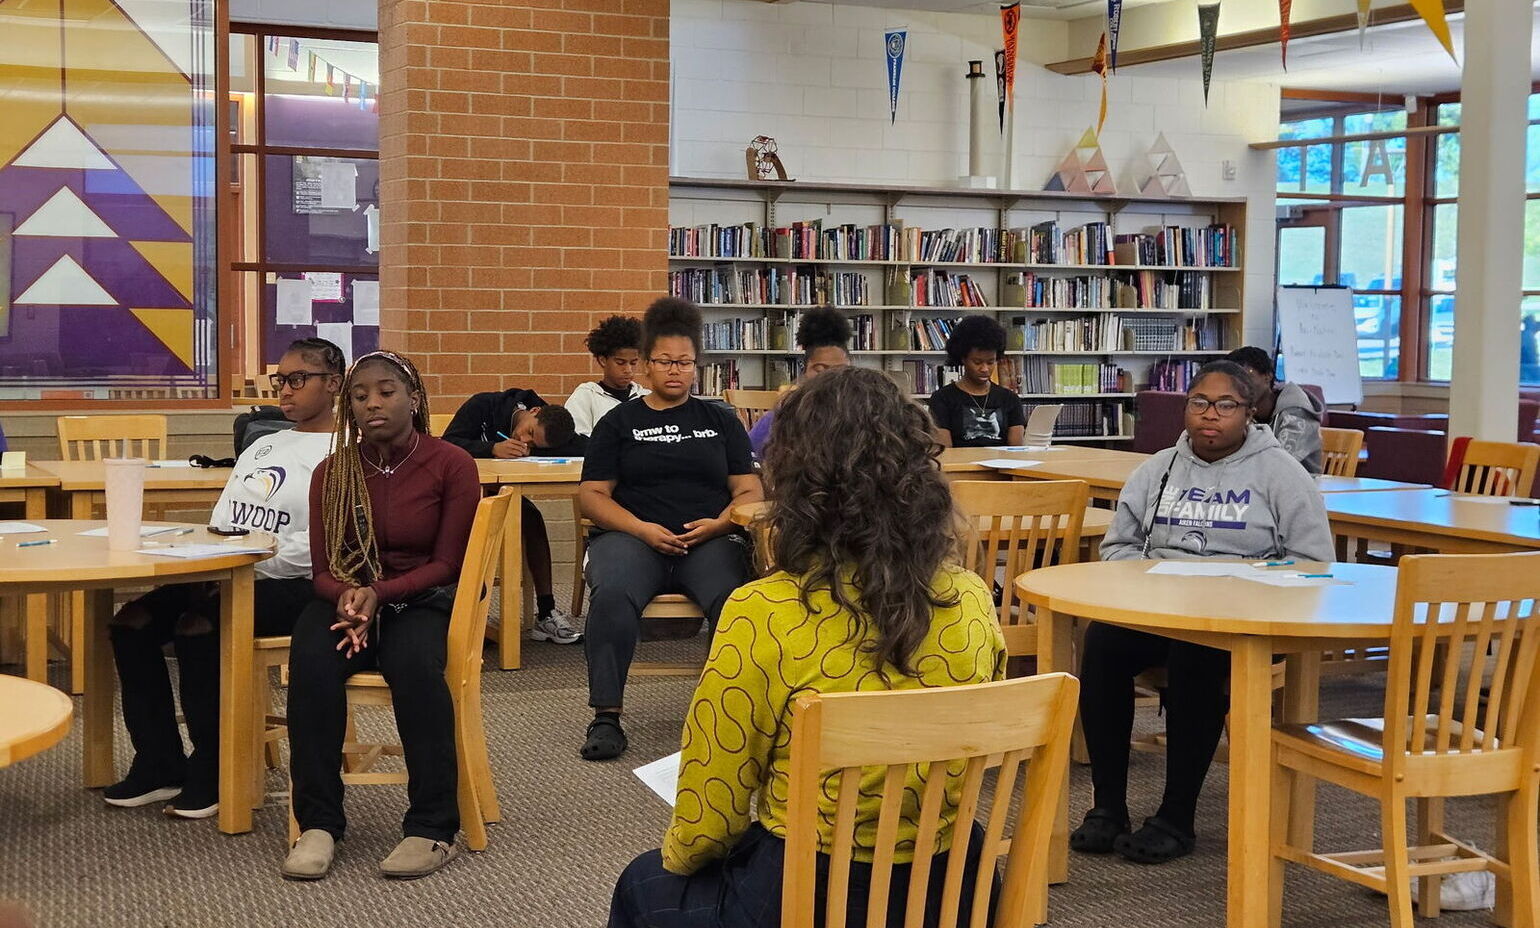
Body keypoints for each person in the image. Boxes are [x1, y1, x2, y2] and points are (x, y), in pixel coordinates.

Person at [609, 366, 1006, 928]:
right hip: (955, 890)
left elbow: (707, 822)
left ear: (793, 483)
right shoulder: (970, 599)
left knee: (644, 882)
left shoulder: (763, 612)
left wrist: (687, 861)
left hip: (807, 894)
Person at [1071, 360, 1334, 866]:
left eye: (1226, 405)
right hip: (1163, 609)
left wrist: (1247, 585)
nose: (1210, 415)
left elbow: (1315, 562)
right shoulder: (1157, 469)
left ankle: (1176, 816)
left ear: (1250, 412)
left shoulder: (1282, 474)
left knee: (1196, 654)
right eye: (1199, 403)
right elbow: (1118, 546)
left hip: (1244, 621)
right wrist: (1149, 580)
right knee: (1103, 641)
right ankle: (1108, 808)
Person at [103, 338, 344, 819]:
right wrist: (208, 558)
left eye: (298, 380)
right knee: (131, 622)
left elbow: (327, 546)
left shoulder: (347, 452)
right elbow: (225, 517)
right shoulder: (265, 443)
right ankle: (158, 762)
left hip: (298, 583)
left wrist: (245, 566)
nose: (285, 390)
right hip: (231, 568)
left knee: (199, 626)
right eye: (281, 380)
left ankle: (214, 768)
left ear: (333, 384)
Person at [282, 350, 482, 881]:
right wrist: (349, 597)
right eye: (359, 395)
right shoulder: (333, 471)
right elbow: (321, 570)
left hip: (421, 599)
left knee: (414, 665)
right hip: (350, 601)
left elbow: (448, 564)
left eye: (386, 392)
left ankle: (432, 826)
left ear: (413, 399)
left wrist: (381, 592)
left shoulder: (451, 464)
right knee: (311, 658)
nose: (372, 403)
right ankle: (318, 824)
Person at [577, 297, 762, 761]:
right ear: (645, 364)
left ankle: (729, 711)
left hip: (709, 539)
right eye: (664, 361)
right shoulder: (619, 423)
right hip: (632, 537)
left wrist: (720, 523)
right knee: (612, 593)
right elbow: (593, 495)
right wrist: (641, 529)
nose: (675, 370)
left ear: (697, 366)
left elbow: (748, 489)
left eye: (684, 362)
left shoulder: (720, 420)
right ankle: (606, 715)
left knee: (735, 598)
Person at [442, 390, 585, 645]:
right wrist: (491, 448)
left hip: (504, 492)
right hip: (461, 495)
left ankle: (547, 612)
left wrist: (532, 452)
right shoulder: (484, 405)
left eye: (534, 444)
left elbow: (583, 446)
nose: (524, 440)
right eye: (529, 432)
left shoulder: (553, 425)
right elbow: (448, 445)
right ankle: (462, 611)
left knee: (532, 519)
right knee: (469, 525)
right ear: (534, 411)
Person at [746, 306, 851, 456]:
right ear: (804, 371)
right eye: (820, 370)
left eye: (840, 370)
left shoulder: (864, 416)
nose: (830, 377)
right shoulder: (780, 419)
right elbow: (749, 456)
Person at [928, 314, 1026, 448]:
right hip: (959, 462)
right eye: (977, 362)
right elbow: (944, 451)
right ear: (963, 358)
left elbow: (1016, 450)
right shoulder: (942, 399)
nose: (985, 369)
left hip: (1000, 461)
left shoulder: (1010, 399)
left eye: (991, 362)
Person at [1225, 346, 1325, 474]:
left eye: (1247, 378)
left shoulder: (1296, 412)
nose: (1241, 387)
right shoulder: (1241, 410)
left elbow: (1281, 465)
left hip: (1298, 482)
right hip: (1254, 481)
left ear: (1268, 376)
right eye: (1234, 382)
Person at [566, 314, 649, 436]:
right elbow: (578, 439)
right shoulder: (585, 397)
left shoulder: (647, 397)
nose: (628, 370)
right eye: (620, 363)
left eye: (633, 363)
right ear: (603, 360)